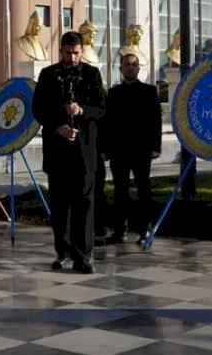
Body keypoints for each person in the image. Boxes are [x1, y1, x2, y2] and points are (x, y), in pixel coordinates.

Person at [34, 31, 106, 273]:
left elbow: (101, 109)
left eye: (76, 53)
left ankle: (83, 256)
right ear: (61, 51)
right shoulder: (48, 75)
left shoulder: (92, 74)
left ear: (82, 51)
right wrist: (58, 126)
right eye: (68, 53)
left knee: (84, 204)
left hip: (84, 151)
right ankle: (62, 252)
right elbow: (38, 109)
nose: (72, 58)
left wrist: (82, 110)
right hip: (57, 151)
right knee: (60, 205)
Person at [103, 53, 163, 244]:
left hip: (141, 150)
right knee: (120, 191)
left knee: (143, 190)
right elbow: (107, 123)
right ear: (121, 68)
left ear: (138, 68)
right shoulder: (113, 93)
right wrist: (105, 149)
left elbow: (156, 121)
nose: (130, 67)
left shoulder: (149, 91)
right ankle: (119, 230)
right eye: (127, 64)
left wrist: (156, 146)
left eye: (134, 64)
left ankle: (145, 229)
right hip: (119, 151)